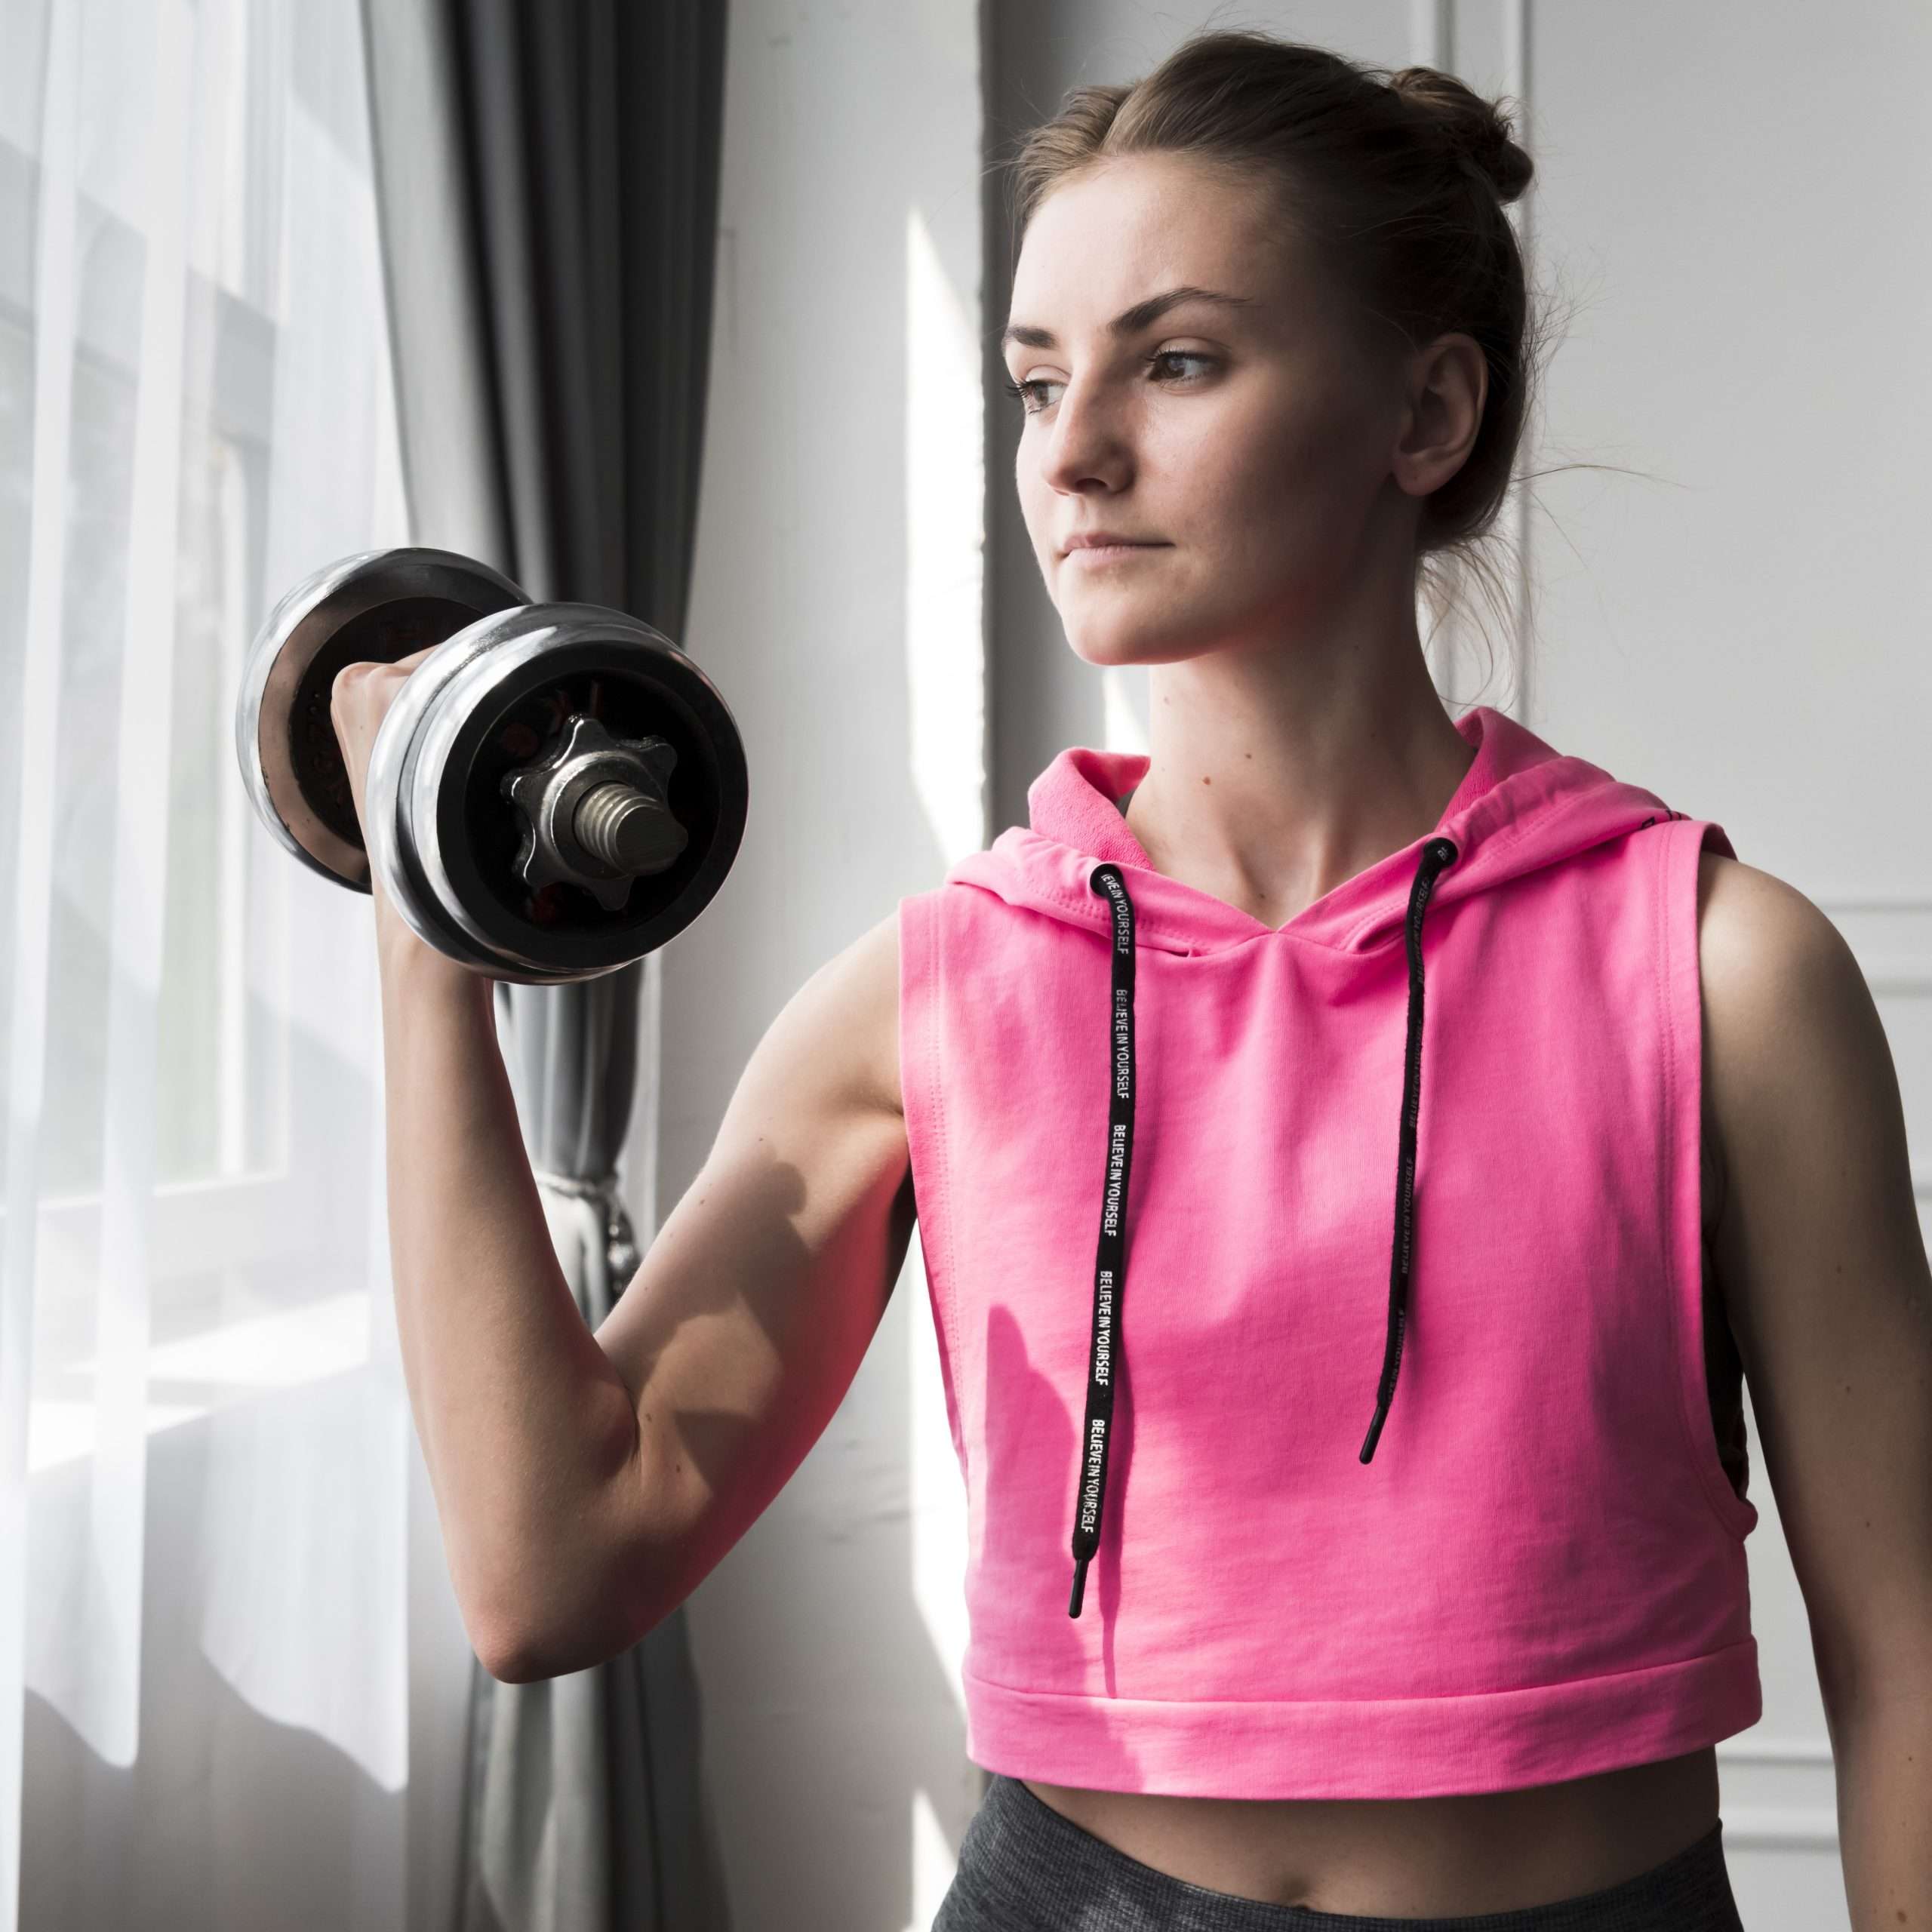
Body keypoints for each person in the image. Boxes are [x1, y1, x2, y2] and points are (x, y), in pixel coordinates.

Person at [328, 26, 1931, 1932]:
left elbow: (1906, 1650)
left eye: (1173, 360)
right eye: (1032, 380)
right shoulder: (928, 996)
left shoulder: (1715, 969)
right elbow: (548, 1570)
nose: (1071, 449)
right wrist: (429, 944)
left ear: (1421, 414)